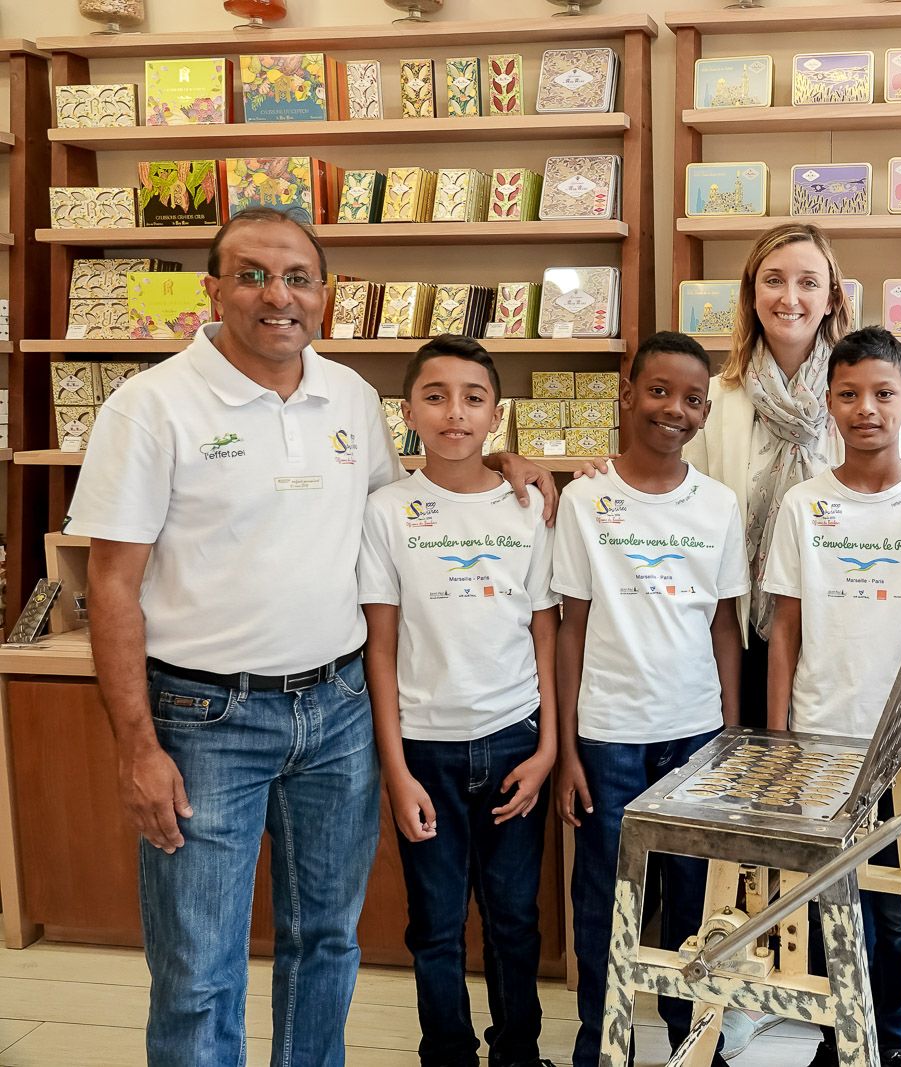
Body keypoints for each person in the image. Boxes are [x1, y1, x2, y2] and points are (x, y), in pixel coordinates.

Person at [66, 207, 556, 1065]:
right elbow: (111, 584)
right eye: (252, 274)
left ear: (324, 295)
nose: (277, 295)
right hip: (205, 715)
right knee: (199, 968)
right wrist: (137, 747)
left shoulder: (352, 398)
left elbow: (399, 508)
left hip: (337, 710)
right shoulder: (150, 407)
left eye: (297, 277)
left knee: (327, 942)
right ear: (212, 291)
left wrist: (504, 465)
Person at [761, 327, 901, 1067]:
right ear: (828, 405)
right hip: (819, 737)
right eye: (848, 394)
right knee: (827, 901)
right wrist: (780, 735)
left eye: (884, 393)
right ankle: (838, 1038)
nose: (866, 409)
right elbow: (784, 628)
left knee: (891, 908)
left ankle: (896, 1043)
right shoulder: (803, 504)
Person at [681, 223, 901, 730]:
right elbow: (684, 496)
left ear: (833, 296)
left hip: (836, 638)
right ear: (751, 294)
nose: (789, 297)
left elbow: (895, 493)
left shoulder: (861, 386)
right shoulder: (718, 398)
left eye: (808, 282)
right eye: (773, 280)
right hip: (740, 628)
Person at [359, 337, 559, 1067]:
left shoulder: (526, 506)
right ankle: (446, 1051)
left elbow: (545, 633)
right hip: (425, 752)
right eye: (436, 395)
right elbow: (379, 647)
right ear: (407, 411)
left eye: (473, 397)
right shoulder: (387, 510)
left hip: (514, 743)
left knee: (514, 919)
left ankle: (517, 1051)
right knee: (436, 924)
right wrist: (396, 768)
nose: (455, 412)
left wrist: (548, 749)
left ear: (496, 414)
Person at [552, 331, 746, 1067]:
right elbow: (571, 626)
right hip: (607, 735)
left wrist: (727, 739)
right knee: (603, 897)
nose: (675, 409)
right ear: (628, 393)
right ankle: (603, 1039)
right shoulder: (584, 499)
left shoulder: (718, 504)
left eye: (693, 398)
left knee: (694, 904)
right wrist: (568, 747)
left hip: (695, 734)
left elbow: (725, 624)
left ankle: (695, 1038)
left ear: (704, 413)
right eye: (659, 390)